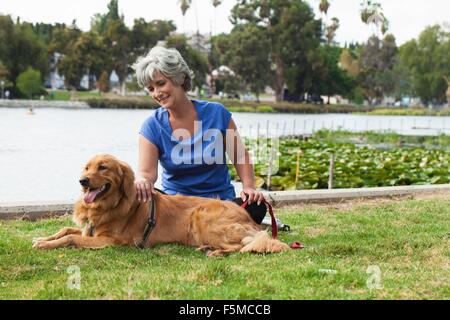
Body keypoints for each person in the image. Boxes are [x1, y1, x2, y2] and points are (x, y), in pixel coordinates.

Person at [132, 46, 267, 224]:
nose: (157, 93)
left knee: (256, 207)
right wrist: (142, 180)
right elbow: (146, 173)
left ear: (179, 78)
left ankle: (199, 224)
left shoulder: (217, 113)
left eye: (161, 83)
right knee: (140, 202)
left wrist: (249, 187)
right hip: (176, 206)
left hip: (219, 203)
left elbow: (240, 155)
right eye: (150, 89)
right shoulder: (152, 125)